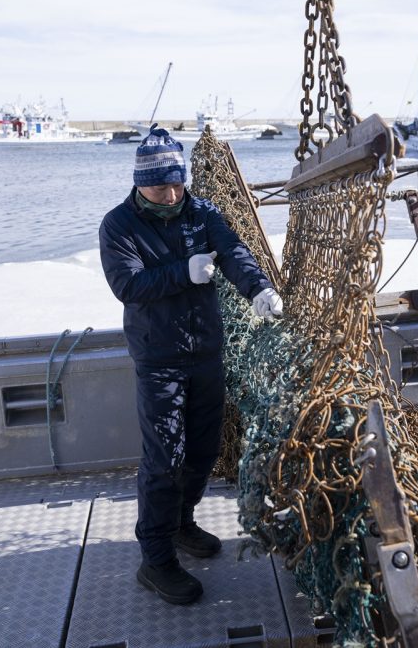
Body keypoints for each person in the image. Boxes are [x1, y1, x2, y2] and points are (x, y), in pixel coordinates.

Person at [99, 124, 283, 605]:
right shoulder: (118, 225)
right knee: (165, 459)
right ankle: (155, 559)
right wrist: (182, 271)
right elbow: (129, 286)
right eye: (162, 185)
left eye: (178, 182)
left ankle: (182, 522)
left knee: (202, 450)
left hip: (205, 350)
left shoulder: (200, 210)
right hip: (159, 357)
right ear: (141, 183)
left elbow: (232, 251)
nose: (173, 192)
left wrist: (258, 288)